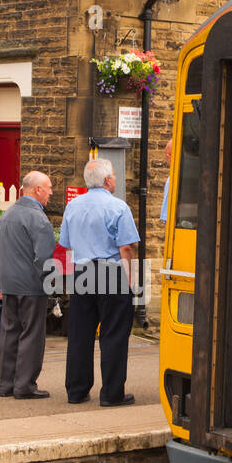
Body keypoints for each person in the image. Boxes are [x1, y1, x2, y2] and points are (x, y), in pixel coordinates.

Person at [59, 159, 140, 406]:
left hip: (82, 273)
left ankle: (77, 390)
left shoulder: (72, 206)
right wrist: (133, 281)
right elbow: (126, 247)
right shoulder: (119, 207)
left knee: (79, 335)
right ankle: (111, 394)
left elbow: (67, 244)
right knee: (113, 335)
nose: (115, 179)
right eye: (114, 176)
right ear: (107, 180)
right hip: (111, 273)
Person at [0, 170, 55, 399]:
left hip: (8, 284)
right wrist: (49, 285)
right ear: (37, 190)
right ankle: (24, 386)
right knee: (32, 335)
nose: (51, 192)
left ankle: (6, 385)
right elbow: (44, 258)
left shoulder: (7, 215)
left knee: (9, 333)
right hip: (31, 285)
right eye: (48, 187)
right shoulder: (39, 218)